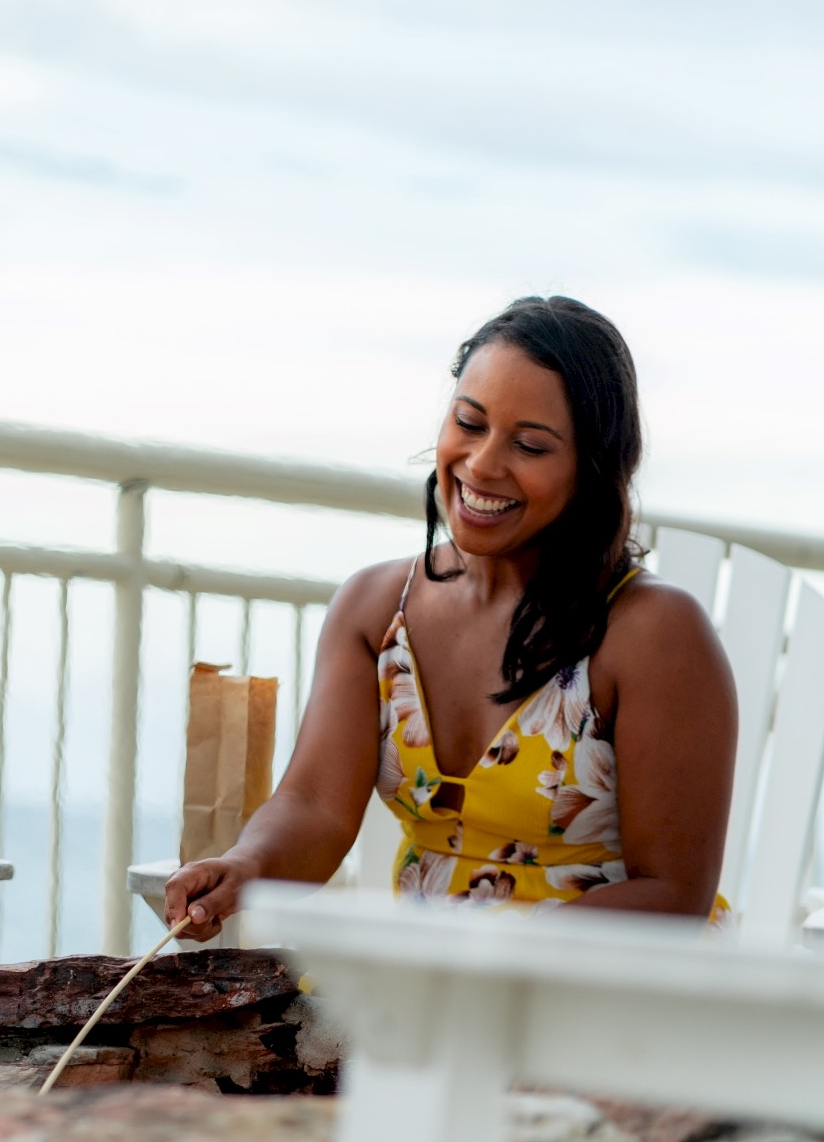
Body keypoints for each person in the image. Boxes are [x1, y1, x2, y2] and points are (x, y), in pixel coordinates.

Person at [167, 296, 735, 937]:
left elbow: (674, 894)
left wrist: (489, 957)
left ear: (592, 468)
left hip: (611, 1004)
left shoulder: (653, 634)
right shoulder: (377, 611)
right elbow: (316, 808)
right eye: (470, 422)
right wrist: (246, 864)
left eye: (530, 445)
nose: (484, 464)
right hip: (432, 995)